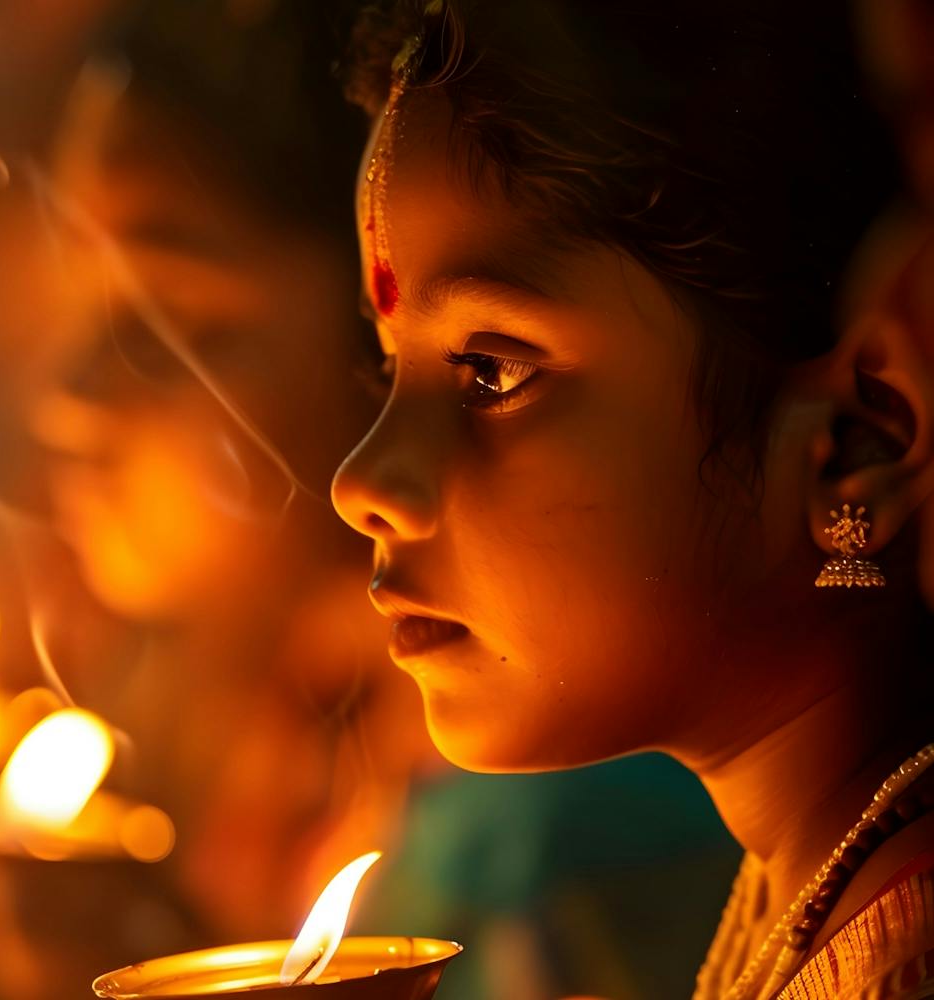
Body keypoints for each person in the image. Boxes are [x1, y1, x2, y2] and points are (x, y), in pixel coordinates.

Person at [330, 1, 934, 997]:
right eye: (386, 370)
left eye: (488, 371)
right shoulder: (812, 878)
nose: (360, 483)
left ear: (859, 441)